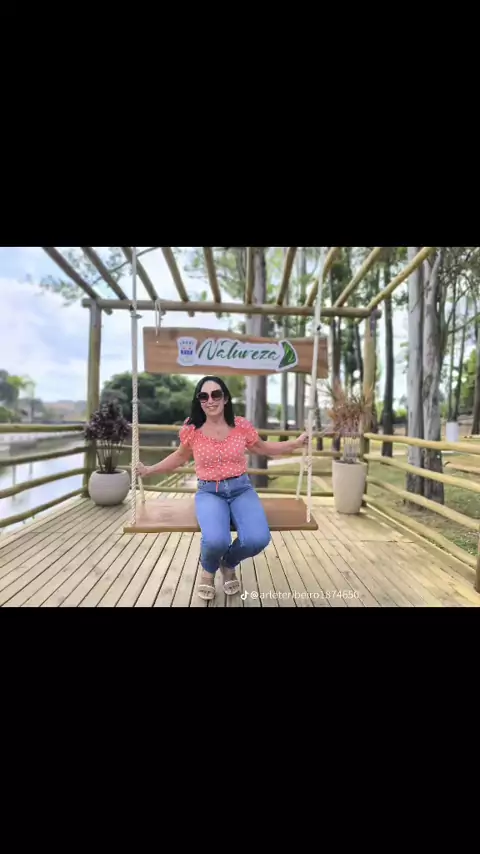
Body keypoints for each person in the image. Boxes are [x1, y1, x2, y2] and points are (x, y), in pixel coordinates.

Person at [136, 375, 308, 601]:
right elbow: (179, 457)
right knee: (216, 540)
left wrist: (295, 443)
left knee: (257, 539)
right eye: (204, 396)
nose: (210, 400)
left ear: (225, 398)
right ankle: (208, 569)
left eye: (216, 394)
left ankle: (228, 563)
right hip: (210, 492)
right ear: (199, 401)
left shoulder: (241, 426)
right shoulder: (192, 430)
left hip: (241, 489)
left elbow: (264, 448)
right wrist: (149, 470)